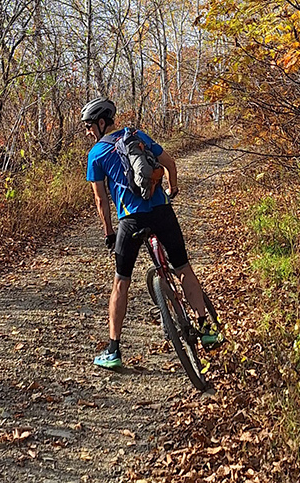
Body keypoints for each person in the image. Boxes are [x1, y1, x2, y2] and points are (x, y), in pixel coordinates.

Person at [82, 95, 221, 371]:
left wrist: (110, 232)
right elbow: (169, 162)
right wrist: (172, 189)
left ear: (100, 123)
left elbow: (100, 201)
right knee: (183, 268)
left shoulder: (96, 154)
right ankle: (207, 329)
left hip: (131, 221)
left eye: (89, 126)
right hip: (162, 211)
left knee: (121, 282)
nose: (88, 132)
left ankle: (113, 349)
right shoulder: (137, 135)